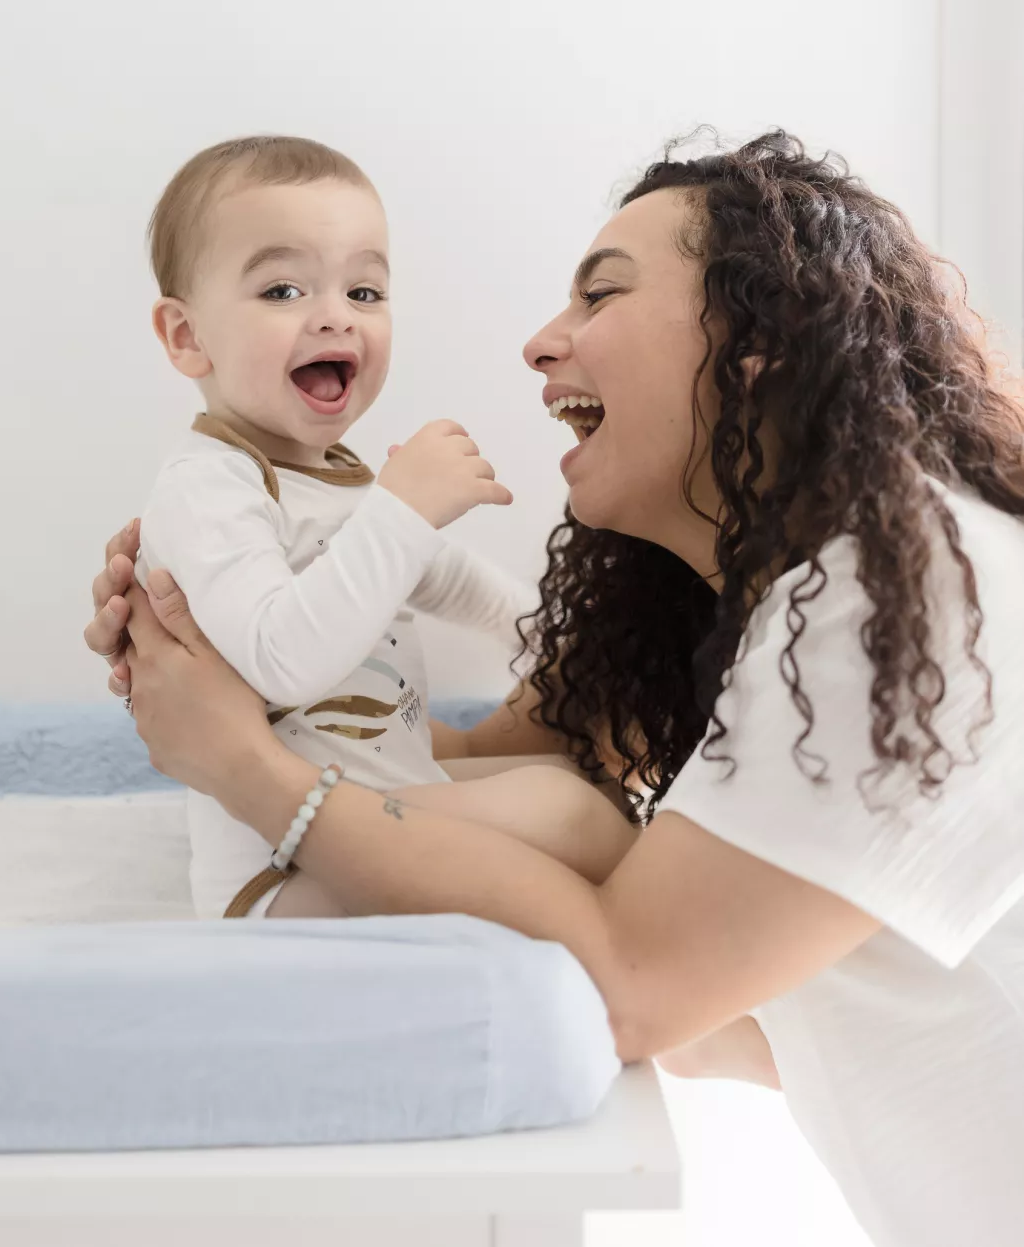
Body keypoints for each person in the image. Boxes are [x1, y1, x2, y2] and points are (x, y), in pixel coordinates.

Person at [86, 132, 1024, 1247]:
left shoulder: (898, 587)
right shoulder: (779, 596)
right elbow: (481, 760)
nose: (540, 343)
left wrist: (245, 768)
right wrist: (212, 670)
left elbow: (642, 987)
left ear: (758, 339)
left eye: (602, 295)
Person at [134, 133, 636, 918]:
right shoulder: (207, 488)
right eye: (282, 291)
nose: (335, 317)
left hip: (381, 801)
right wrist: (401, 508)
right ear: (186, 336)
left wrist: (556, 635)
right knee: (568, 816)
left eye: (363, 293)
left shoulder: (334, 476)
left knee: (582, 800)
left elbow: (445, 580)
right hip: (283, 868)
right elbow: (280, 659)